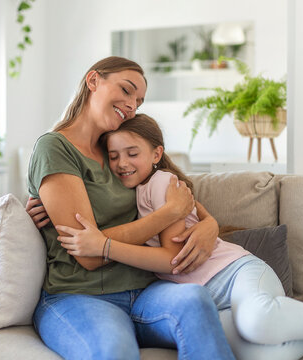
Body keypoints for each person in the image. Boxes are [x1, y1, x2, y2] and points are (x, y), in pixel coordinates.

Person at [53, 114, 303, 360]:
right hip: (211, 300)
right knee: (266, 356)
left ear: (157, 154)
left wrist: (105, 247)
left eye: (131, 153)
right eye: (113, 156)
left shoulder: (163, 184)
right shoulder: (128, 194)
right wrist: (42, 205)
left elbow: (172, 259)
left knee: (258, 323)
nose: (121, 164)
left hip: (235, 274)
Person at [27, 56, 235, 360]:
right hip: (79, 296)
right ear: (93, 81)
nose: (132, 105)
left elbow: (171, 192)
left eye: (138, 101)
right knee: (114, 350)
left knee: (195, 300)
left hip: (146, 290)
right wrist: (168, 214)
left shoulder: (116, 151)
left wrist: (209, 223)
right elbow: (88, 255)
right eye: (126, 90)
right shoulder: (54, 148)